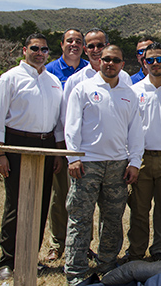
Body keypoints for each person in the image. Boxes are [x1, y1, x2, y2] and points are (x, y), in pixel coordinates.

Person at [64, 45, 144, 286]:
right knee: (80, 218)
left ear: (123, 64)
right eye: (106, 59)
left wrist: (135, 162)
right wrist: (73, 157)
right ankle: (76, 271)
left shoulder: (128, 93)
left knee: (112, 218)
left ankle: (107, 264)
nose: (110, 63)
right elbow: (72, 126)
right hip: (87, 164)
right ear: (98, 61)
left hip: (118, 165)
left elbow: (136, 131)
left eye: (115, 60)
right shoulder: (83, 89)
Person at [0, 33, 64, 281]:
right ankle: (8, 261)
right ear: (24, 50)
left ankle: (29, 258)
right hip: (17, 144)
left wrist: (57, 152)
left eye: (44, 49)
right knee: (16, 204)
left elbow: (58, 123)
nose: (40, 53)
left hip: (46, 146)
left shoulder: (53, 81)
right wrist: (0, 153)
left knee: (40, 205)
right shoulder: (10, 78)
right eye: (35, 48)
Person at [127, 42, 161, 261]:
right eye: (150, 60)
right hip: (142, 159)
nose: (155, 63)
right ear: (143, 63)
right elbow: (129, 129)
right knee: (139, 212)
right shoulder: (135, 91)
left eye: (160, 59)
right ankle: (136, 255)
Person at [45, 27, 89, 260]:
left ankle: (84, 243)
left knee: (84, 197)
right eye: (69, 41)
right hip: (61, 143)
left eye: (78, 41)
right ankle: (57, 243)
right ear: (61, 44)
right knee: (60, 194)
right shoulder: (50, 71)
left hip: (88, 146)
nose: (74, 44)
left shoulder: (91, 69)